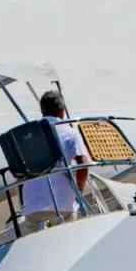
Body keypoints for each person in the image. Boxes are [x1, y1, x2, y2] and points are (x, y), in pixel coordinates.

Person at [18, 88, 91, 228]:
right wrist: (78, 192)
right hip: (63, 205)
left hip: (33, 208)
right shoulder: (70, 132)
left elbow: (18, 172)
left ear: (42, 112)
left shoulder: (27, 135)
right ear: (61, 111)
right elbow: (83, 165)